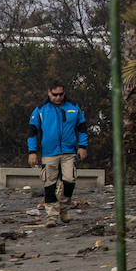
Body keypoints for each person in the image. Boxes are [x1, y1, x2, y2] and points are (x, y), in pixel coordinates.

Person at [27, 79, 89, 225]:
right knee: (49, 184)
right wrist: (32, 151)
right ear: (49, 93)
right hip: (49, 152)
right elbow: (32, 131)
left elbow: (82, 128)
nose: (58, 97)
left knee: (70, 180)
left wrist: (83, 146)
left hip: (69, 151)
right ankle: (51, 216)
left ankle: (64, 207)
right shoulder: (41, 109)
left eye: (61, 94)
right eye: (55, 95)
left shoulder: (73, 107)